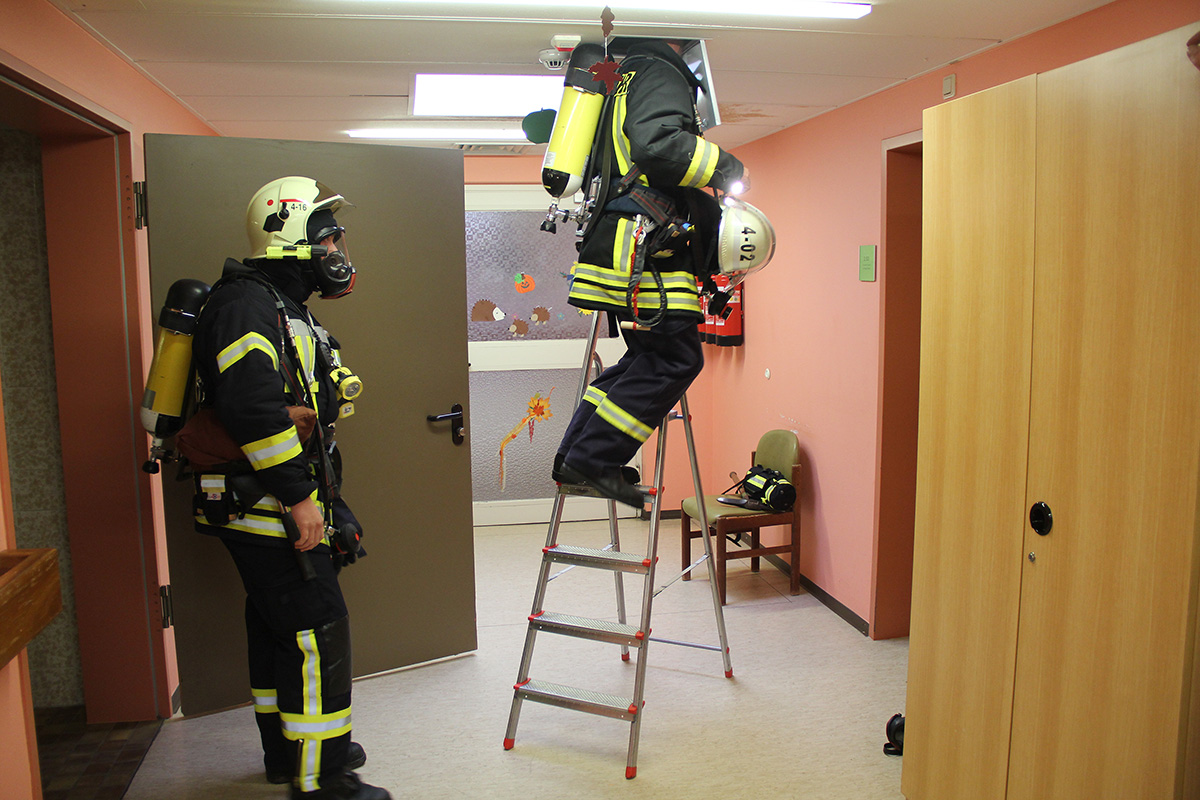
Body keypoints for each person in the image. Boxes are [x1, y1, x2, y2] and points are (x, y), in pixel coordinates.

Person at [187, 176, 389, 800]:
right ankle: (323, 779)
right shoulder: (247, 305)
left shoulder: (279, 305)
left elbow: (306, 418)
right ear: (290, 237)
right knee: (316, 629)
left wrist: (331, 503)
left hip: (268, 496)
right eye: (327, 239)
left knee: (278, 626)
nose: (336, 252)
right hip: (263, 501)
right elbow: (254, 412)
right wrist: (301, 500)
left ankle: (289, 754)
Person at [554, 37, 748, 507]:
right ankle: (593, 459)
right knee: (677, 360)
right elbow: (657, 145)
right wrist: (727, 167)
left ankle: (574, 457)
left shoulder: (623, 80)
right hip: (650, 253)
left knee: (644, 358)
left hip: (627, 246)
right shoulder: (659, 72)